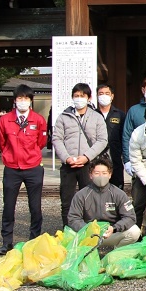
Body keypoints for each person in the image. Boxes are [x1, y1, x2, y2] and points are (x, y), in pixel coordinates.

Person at [0, 84, 48, 255]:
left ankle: (34, 240)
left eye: (26, 99)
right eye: (20, 99)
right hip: (12, 168)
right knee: (9, 206)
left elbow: (41, 142)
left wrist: (30, 154)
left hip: (33, 167)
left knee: (35, 206)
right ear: (15, 100)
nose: (23, 102)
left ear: (31, 101)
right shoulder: (5, 120)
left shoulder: (38, 120)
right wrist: (10, 156)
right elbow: (2, 143)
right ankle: (6, 242)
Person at [52, 82, 109, 227]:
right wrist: (67, 158)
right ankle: (68, 231)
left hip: (88, 164)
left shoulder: (97, 117)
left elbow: (102, 140)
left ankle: (89, 232)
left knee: (89, 200)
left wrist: (86, 157)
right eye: (76, 96)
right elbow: (57, 139)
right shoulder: (63, 117)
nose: (79, 99)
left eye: (82, 96)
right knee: (67, 201)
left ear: (89, 98)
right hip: (68, 165)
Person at [67, 156, 140, 254]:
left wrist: (114, 228)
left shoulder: (119, 194)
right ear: (90, 175)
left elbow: (130, 217)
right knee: (68, 236)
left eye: (104, 173)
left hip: (110, 233)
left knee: (135, 231)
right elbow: (73, 218)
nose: (101, 176)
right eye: (97, 173)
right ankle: (87, 256)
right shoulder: (81, 195)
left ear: (110, 175)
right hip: (88, 234)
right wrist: (87, 229)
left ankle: (114, 254)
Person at [95, 83, 126, 188]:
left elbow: (124, 136)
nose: (104, 96)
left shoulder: (120, 115)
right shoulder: (92, 114)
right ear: (97, 96)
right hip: (96, 158)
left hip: (115, 157)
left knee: (116, 189)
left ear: (112, 96)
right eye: (101, 93)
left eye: (107, 93)